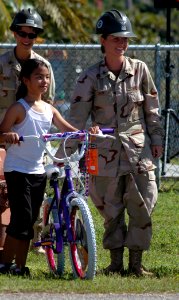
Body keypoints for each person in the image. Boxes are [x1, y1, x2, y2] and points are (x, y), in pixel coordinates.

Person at [56, 9, 163, 277]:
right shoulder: (90, 77)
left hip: (139, 151)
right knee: (110, 209)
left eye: (125, 39)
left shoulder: (140, 70)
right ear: (103, 41)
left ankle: (136, 265)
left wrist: (157, 139)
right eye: (116, 38)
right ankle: (116, 264)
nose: (122, 44)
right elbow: (77, 118)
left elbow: (152, 109)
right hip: (104, 153)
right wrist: (64, 154)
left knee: (144, 203)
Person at [0, 58, 98, 276]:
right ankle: (5, 262)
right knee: (22, 218)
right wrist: (10, 135)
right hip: (17, 171)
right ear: (26, 80)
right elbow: (1, 133)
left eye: (46, 77)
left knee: (31, 218)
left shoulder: (49, 109)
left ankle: (19, 266)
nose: (44, 81)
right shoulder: (19, 108)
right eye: (38, 77)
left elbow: (69, 129)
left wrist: (87, 132)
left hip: (37, 171)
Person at [0, 8, 55, 254]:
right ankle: (7, 242)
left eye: (32, 34)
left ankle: (34, 241)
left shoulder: (43, 66)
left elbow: (49, 105)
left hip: (32, 138)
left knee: (36, 190)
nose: (27, 37)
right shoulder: (1, 64)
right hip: (4, 138)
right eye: (22, 32)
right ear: (14, 33)